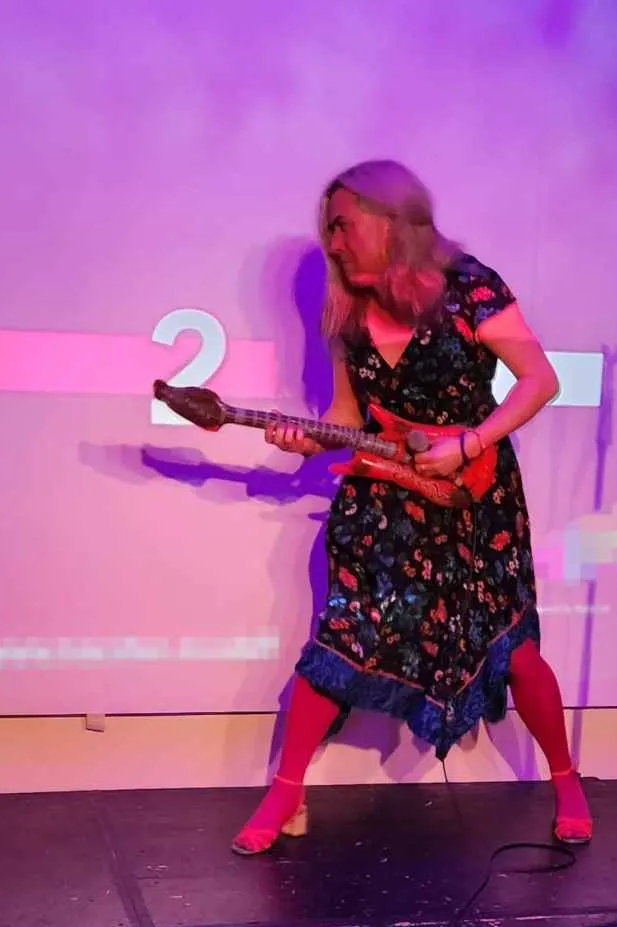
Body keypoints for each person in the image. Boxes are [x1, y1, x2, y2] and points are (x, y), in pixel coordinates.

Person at [232, 160, 592, 855]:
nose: (333, 244)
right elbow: (343, 416)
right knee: (341, 636)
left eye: (341, 225)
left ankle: (568, 780)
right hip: (384, 497)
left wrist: (470, 440)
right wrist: (300, 441)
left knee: (511, 650)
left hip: (473, 498)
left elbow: (539, 380)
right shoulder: (346, 313)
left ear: (389, 217)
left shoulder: (470, 286)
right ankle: (285, 795)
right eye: (327, 230)